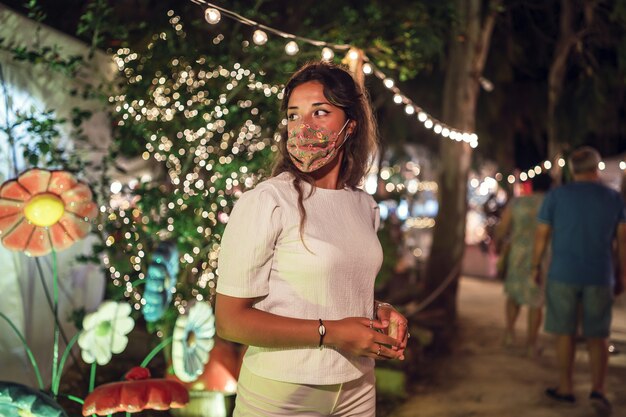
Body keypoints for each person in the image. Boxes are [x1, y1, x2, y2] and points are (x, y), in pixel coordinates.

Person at [215, 61, 409, 417]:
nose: (303, 126)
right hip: (284, 392)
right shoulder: (268, 201)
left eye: (320, 112)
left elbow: (335, 287)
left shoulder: (363, 205)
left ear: (350, 126)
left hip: (358, 384)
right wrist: (331, 332)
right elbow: (229, 320)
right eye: (293, 115)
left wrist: (377, 312)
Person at [532, 147, 626, 415]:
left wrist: (535, 265)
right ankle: (598, 389)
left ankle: (566, 388)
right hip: (600, 274)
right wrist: (622, 274)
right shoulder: (613, 198)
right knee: (598, 336)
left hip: (563, 274)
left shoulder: (557, 196)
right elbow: (622, 241)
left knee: (565, 333)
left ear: (572, 170)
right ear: (597, 169)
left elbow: (542, 235)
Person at [495, 173, 552, 357]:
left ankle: (509, 334)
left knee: (513, 294)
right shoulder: (550, 204)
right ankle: (530, 344)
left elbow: (502, 228)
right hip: (541, 255)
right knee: (536, 301)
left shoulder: (517, 203)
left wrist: (498, 243)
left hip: (517, 254)